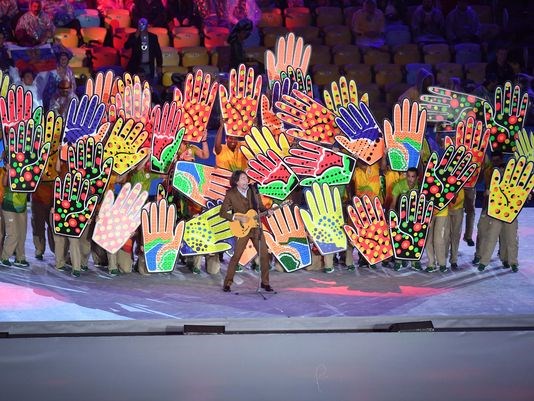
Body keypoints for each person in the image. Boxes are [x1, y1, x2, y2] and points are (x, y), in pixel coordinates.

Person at [219, 170, 273, 292]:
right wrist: (237, 217)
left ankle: (265, 282)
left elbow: (260, 207)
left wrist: (268, 211)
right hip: (242, 228)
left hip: (256, 227)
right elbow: (222, 213)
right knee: (236, 256)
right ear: (236, 181)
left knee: (264, 254)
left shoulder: (253, 190)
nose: (246, 180)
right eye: (243, 178)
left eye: (246, 178)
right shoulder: (231, 194)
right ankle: (227, 283)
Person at [0, 158, 30, 268]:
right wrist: (8, 171)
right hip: (9, 205)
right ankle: (4, 257)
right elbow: (4, 183)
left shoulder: (27, 169)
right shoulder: (7, 169)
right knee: (13, 234)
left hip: (21, 206)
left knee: (22, 234)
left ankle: (20, 258)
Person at [124, 17, 163, 84]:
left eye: (143, 24)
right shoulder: (133, 35)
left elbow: (158, 52)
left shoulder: (153, 37)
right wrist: (136, 36)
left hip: (148, 66)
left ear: (147, 25)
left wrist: (159, 65)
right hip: (136, 65)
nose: (141, 26)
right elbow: (126, 46)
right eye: (140, 24)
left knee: (148, 85)